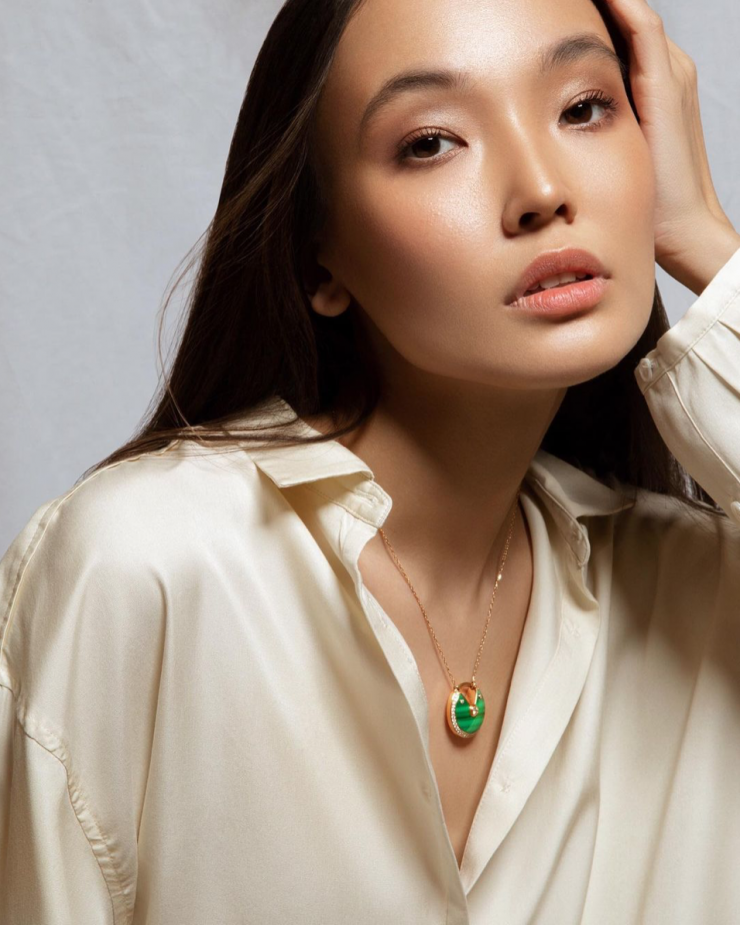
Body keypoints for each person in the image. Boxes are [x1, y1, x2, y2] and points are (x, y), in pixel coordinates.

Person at [1, 0, 739, 921]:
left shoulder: (704, 595)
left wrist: (707, 242)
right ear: (321, 261)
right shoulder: (149, 567)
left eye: (583, 108)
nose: (543, 188)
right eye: (431, 143)